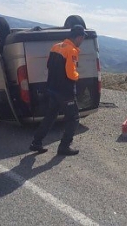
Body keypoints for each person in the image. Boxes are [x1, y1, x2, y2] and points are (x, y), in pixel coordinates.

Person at [29, 25, 88, 156]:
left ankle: (36, 142)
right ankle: (64, 146)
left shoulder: (56, 46)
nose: (82, 41)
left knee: (50, 116)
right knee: (73, 118)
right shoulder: (72, 50)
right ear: (79, 37)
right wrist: (78, 77)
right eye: (83, 38)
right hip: (65, 91)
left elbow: (48, 65)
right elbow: (71, 74)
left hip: (52, 88)